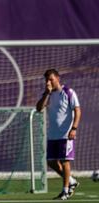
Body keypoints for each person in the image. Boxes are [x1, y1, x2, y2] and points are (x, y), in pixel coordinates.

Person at [36, 69, 81, 200]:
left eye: (51, 79)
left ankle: (65, 190)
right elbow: (39, 108)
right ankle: (71, 180)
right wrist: (46, 94)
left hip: (66, 134)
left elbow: (77, 111)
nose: (48, 82)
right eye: (46, 80)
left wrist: (74, 128)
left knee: (65, 161)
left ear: (58, 78)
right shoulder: (48, 95)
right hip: (52, 135)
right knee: (50, 161)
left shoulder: (68, 92)